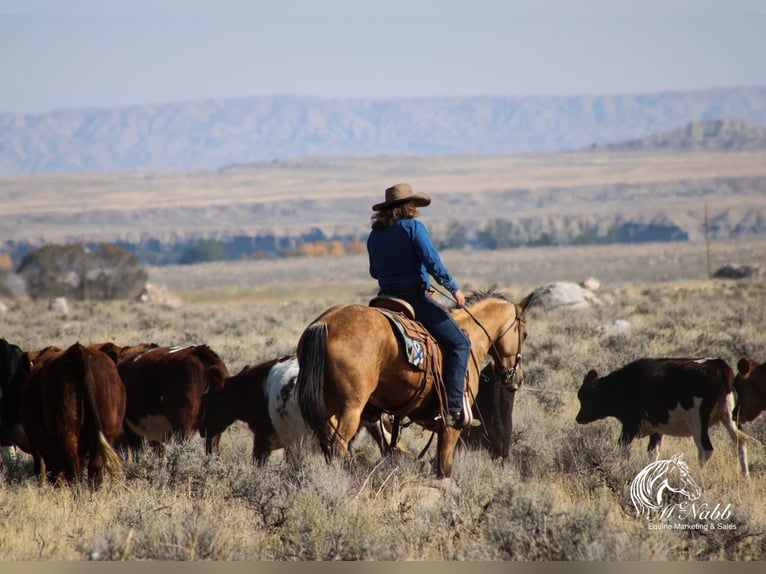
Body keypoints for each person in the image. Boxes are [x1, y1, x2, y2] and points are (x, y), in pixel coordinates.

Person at [367, 182, 474, 429]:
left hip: (383, 300)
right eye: (413, 203)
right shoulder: (413, 227)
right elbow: (433, 262)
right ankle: (453, 407)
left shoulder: (375, 235)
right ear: (407, 206)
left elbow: (374, 271)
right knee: (460, 343)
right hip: (413, 299)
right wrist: (453, 289)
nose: (415, 207)